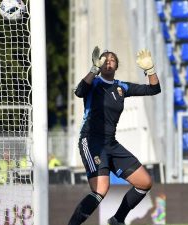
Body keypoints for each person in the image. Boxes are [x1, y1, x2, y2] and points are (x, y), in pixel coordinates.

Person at [68, 47, 161, 225]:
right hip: (91, 140)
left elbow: (154, 89)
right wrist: (93, 70)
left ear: (117, 65)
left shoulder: (121, 87)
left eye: (112, 60)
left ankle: (117, 219)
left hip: (111, 143)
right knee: (101, 189)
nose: (108, 61)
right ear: (99, 64)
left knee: (144, 182)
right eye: (105, 60)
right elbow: (79, 91)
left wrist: (150, 70)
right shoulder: (93, 83)